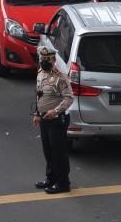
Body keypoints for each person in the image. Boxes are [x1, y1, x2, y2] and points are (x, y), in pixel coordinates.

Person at [32, 46, 73, 195]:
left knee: (58, 153)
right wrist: (37, 113)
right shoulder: (40, 73)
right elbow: (39, 95)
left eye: (47, 60)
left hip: (57, 120)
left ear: (54, 60)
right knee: (48, 151)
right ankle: (51, 178)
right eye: (42, 59)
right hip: (44, 118)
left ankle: (63, 183)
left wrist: (55, 111)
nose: (44, 62)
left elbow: (69, 98)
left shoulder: (60, 78)